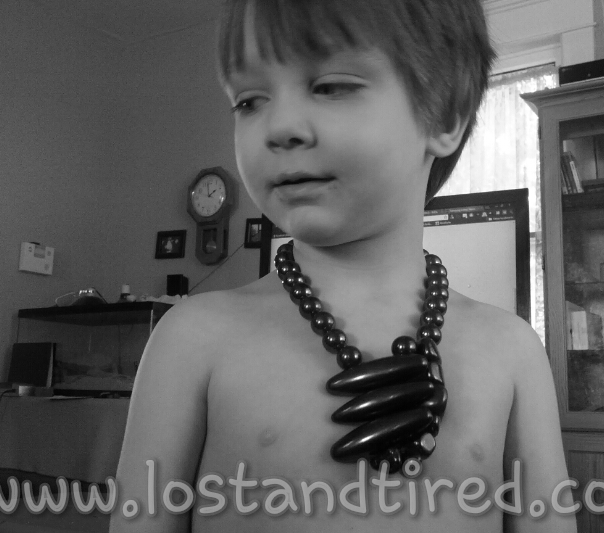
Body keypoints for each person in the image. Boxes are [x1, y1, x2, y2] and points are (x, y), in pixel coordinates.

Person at [111, 0, 576, 531]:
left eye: (331, 86)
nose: (279, 127)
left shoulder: (513, 352)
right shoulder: (190, 340)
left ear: (444, 113)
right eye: (249, 101)